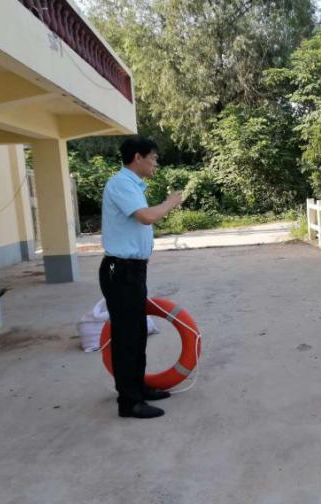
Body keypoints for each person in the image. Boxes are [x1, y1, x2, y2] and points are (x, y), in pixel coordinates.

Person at [99, 136, 183, 419]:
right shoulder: (121, 184)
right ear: (138, 157)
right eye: (153, 157)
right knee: (126, 336)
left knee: (136, 333)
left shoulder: (132, 185)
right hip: (120, 270)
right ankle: (129, 402)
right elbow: (145, 217)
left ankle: (138, 388)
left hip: (132, 269)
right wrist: (170, 203)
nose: (155, 162)